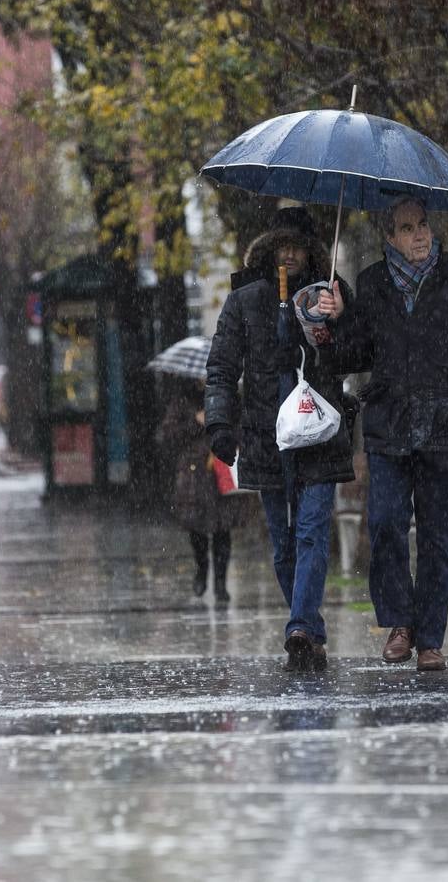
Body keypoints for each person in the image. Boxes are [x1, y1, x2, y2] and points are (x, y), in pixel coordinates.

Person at [316, 195, 448, 671]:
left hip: (445, 427)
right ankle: (399, 623)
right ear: (389, 236)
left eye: (423, 224)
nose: (419, 235)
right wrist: (337, 320)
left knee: (439, 537)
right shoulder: (373, 283)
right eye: (406, 227)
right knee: (384, 525)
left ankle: (430, 641)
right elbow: (355, 355)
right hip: (389, 428)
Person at [205, 206, 356, 672]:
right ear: (270, 249)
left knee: (311, 530)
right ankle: (308, 628)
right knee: (283, 542)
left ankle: (298, 628)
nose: (289, 255)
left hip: (319, 433)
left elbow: (354, 357)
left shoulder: (329, 296)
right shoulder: (246, 301)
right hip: (265, 434)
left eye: (298, 247)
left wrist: (338, 319)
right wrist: (219, 425)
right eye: (282, 246)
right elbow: (223, 367)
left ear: (311, 253)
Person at [159, 380, 245, 603]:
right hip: (194, 473)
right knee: (196, 526)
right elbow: (168, 434)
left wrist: (222, 429)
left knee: (222, 528)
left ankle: (220, 583)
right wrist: (195, 422)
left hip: (221, 467)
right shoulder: (182, 400)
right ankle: (201, 569)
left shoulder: (228, 396)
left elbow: (241, 427)